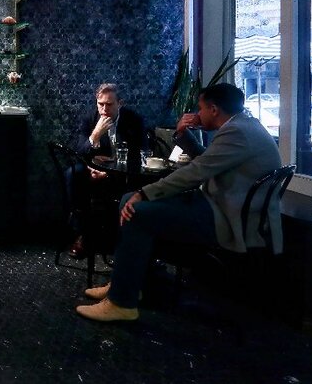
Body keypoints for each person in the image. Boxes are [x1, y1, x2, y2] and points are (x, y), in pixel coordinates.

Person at [75, 83, 282, 322]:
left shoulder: (237, 133)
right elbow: (209, 161)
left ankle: (122, 302)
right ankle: (127, 281)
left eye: (201, 108)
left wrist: (145, 192)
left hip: (228, 217)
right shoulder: (243, 125)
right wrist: (183, 135)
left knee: (137, 211)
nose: (198, 113)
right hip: (222, 204)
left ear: (214, 109)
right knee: (126, 200)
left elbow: (196, 171)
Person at [67, 83, 146, 258]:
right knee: (73, 174)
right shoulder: (90, 118)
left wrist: (109, 172)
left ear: (120, 103)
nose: (104, 109)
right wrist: (95, 135)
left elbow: (140, 154)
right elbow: (79, 152)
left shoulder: (134, 120)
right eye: (100, 104)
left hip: (120, 173)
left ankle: (122, 239)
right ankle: (83, 234)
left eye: (109, 104)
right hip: (93, 170)